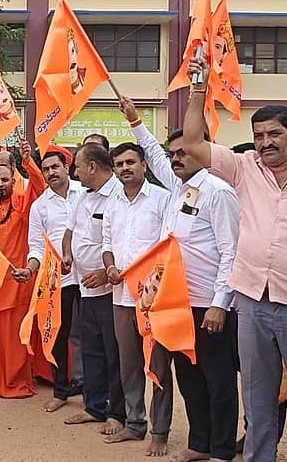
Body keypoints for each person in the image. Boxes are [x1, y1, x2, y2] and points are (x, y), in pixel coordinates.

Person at [182, 56, 287, 462]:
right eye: (259, 135)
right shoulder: (245, 169)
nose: (266, 143)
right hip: (251, 301)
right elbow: (193, 142)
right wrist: (198, 89)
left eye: (275, 134)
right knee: (258, 396)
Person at [123, 97, 241, 462]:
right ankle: (199, 444)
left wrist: (221, 305)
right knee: (190, 380)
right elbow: (156, 160)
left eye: (183, 152)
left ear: (203, 151)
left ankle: (221, 449)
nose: (175, 159)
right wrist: (136, 123)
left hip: (209, 307)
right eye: (172, 154)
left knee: (218, 381)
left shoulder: (219, 192)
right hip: (176, 304)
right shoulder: (180, 188)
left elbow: (231, 252)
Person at [101, 142, 172, 457]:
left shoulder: (162, 199)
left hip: (152, 300)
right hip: (119, 297)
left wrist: (153, 284)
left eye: (131, 162)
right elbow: (107, 244)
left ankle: (160, 432)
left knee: (158, 367)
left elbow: (168, 247)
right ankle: (135, 423)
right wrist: (110, 267)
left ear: (144, 164)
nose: (125, 168)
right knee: (128, 364)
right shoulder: (113, 202)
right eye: (119, 164)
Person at [0, 137, 46, 398]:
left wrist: (28, 162)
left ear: (14, 182)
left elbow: (39, 186)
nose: (0, 184)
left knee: (14, 336)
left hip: (17, 279)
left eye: (5, 180)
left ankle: (15, 382)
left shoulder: (24, 205)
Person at [61, 143, 126, 435]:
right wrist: (67, 254)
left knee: (116, 354)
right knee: (92, 351)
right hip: (84, 288)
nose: (75, 172)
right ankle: (94, 406)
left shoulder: (119, 196)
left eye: (77, 166)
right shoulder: (83, 197)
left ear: (92, 167)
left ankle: (118, 412)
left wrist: (105, 272)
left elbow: (123, 242)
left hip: (113, 291)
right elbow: (70, 232)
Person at [25, 145, 83, 413]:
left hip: (94, 279)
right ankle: (61, 391)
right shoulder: (40, 207)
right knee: (58, 336)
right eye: (46, 169)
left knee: (95, 338)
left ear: (66, 167)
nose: (50, 173)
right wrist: (30, 268)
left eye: (55, 167)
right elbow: (35, 245)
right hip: (60, 280)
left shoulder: (85, 194)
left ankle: (96, 393)